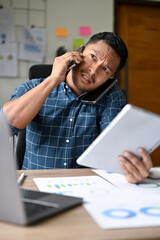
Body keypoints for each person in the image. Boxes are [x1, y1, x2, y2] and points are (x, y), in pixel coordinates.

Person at [3, 32, 128, 171]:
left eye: (105, 69)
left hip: (83, 189)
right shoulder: (31, 88)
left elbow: (115, 147)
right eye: (93, 57)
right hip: (35, 188)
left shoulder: (111, 97)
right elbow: (5, 125)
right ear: (79, 51)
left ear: (110, 77)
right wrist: (53, 79)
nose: (93, 71)